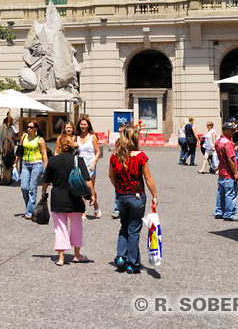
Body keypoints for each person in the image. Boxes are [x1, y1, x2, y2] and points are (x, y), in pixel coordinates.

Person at [108, 126, 158, 274]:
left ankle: (121, 257)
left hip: (121, 195)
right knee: (134, 230)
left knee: (124, 226)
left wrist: (118, 188)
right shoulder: (140, 156)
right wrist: (154, 195)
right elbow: (148, 178)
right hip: (136, 195)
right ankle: (132, 262)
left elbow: (111, 175)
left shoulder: (115, 155)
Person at [41, 133, 96, 265]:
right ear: (72, 146)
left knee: (60, 228)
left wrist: (43, 192)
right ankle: (77, 255)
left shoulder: (53, 160)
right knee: (77, 226)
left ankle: (61, 257)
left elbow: (46, 180)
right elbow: (87, 180)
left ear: (59, 146)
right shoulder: (78, 160)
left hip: (58, 198)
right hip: (75, 197)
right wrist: (92, 194)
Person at [18, 120, 48, 220]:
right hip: (26, 164)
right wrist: (15, 162)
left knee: (32, 188)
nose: (29, 129)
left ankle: (29, 212)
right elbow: (20, 150)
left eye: (31, 127)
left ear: (35, 129)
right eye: (28, 127)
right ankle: (30, 206)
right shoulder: (24, 136)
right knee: (24, 187)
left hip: (37, 164)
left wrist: (46, 167)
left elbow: (44, 154)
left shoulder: (40, 139)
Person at [76, 116, 102, 218]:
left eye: (85, 124)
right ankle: (83, 211)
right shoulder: (76, 137)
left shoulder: (92, 137)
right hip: (79, 165)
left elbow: (98, 152)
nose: (83, 126)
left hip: (90, 165)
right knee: (81, 188)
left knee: (89, 188)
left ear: (88, 125)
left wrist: (93, 163)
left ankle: (96, 206)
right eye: (81, 124)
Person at [213, 121, 238, 221]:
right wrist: (235, 173)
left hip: (221, 171)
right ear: (226, 131)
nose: (234, 131)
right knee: (230, 193)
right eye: (232, 130)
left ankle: (219, 211)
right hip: (228, 172)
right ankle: (229, 213)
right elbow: (230, 159)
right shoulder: (228, 143)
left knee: (221, 192)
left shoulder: (219, 141)